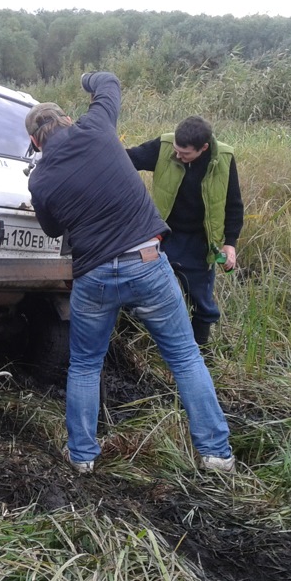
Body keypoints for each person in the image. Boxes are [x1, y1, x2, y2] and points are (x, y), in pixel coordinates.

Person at [26, 72, 235, 474]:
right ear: (68, 120)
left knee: (86, 365)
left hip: (94, 278)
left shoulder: (41, 178)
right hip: (147, 265)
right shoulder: (98, 125)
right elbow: (110, 83)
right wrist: (87, 78)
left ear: (35, 143)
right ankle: (215, 454)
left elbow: (52, 229)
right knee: (187, 357)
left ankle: (83, 457)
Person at [126, 116, 244, 346]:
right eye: (177, 151)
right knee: (141, 290)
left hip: (200, 242)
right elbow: (128, 159)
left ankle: (198, 352)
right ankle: (137, 344)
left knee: (202, 303)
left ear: (204, 148)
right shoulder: (165, 147)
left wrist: (230, 243)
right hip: (163, 235)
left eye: (185, 154)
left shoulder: (224, 160)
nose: (178, 156)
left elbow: (234, 203)